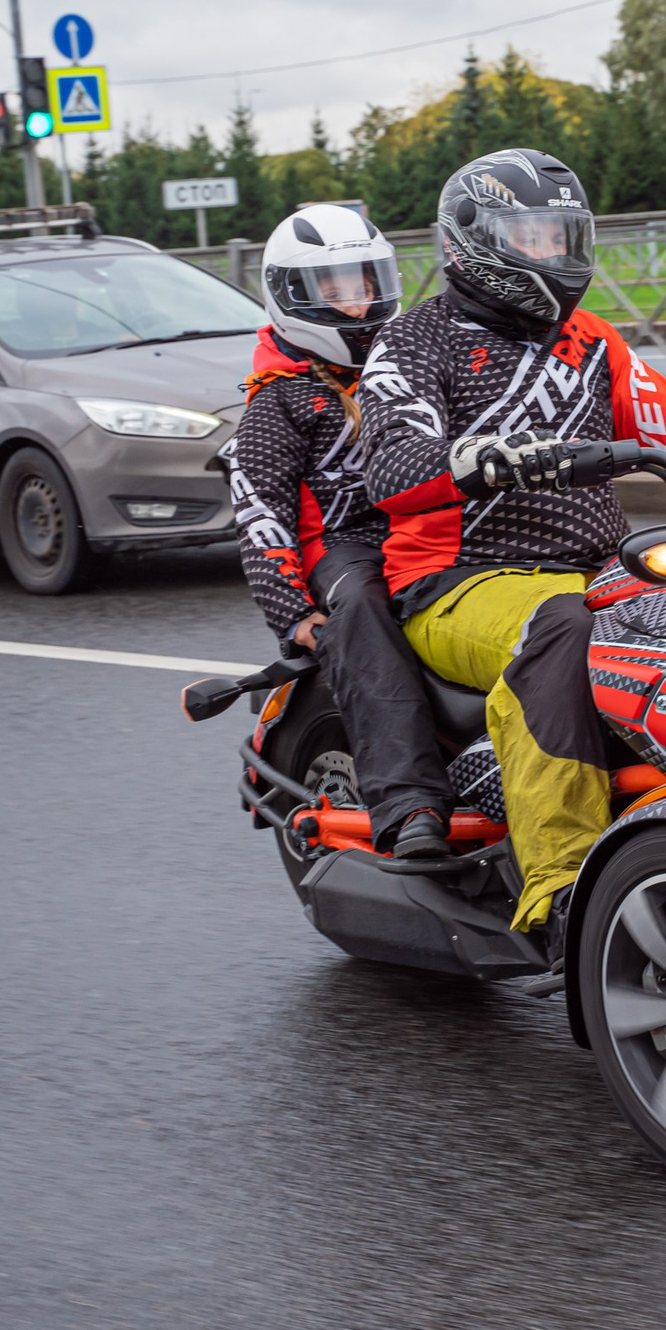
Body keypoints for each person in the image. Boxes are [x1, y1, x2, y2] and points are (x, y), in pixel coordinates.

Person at [357, 149, 666, 938]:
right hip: (457, 582)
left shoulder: (590, 342)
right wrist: (470, 460)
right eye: (532, 236)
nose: (555, 255)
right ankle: (561, 886)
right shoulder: (412, 344)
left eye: (564, 235)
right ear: (473, 241)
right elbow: (391, 468)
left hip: (600, 570)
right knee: (562, 626)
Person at [225, 203, 454, 859]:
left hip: (425, 520)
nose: (358, 306)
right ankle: (408, 803)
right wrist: (292, 612)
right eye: (336, 291)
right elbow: (258, 509)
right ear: (293, 295)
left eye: (366, 284)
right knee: (363, 607)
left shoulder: (404, 368)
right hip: (343, 546)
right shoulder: (280, 398)